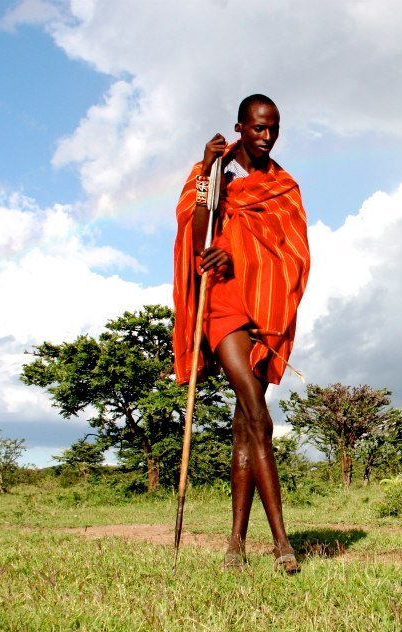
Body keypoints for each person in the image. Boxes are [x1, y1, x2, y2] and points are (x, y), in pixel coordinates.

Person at [172, 94, 310, 573]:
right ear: (240, 127)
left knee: (243, 428)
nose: (267, 136)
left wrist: (242, 257)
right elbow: (194, 240)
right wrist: (207, 176)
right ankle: (281, 543)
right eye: (257, 128)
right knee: (259, 415)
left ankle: (235, 544)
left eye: (273, 127)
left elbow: (294, 256)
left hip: (263, 312)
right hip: (225, 307)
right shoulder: (213, 175)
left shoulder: (283, 188)